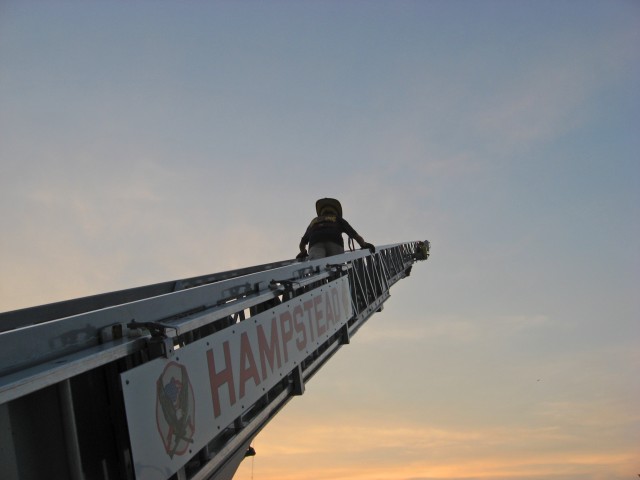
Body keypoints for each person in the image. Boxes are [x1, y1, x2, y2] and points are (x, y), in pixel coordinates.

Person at [297, 198, 375, 260]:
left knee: (316, 269)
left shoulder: (314, 221)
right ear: (335, 211)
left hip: (315, 244)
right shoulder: (338, 219)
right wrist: (364, 244)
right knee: (335, 270)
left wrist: (303, 252)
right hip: (335, 243)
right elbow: (355, 236)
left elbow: (302, 243)